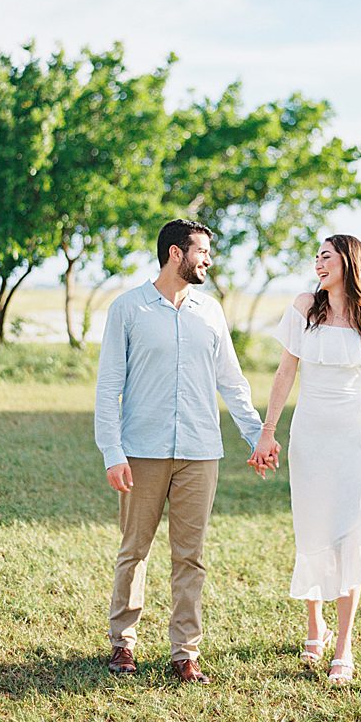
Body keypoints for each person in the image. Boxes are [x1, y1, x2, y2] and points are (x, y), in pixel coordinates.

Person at [94, 218, 274, 684]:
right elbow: (108, 385)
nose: (208, 260)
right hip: (141, 451)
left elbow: (232, 383)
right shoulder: (128, 309)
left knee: (190, 556)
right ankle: (123, 645)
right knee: (134, 550)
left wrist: (256, 437)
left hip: (200, 452)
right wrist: (112, 452)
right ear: (176, 253)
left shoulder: (210, 311)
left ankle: (184, 653)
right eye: (202, 252)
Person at [249, 234, 361, 686]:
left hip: (356, 439)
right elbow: (286, 371)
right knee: (315, 527)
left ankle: (344, 646)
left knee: (349, 536)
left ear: (349, 261)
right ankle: (313, 625)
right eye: (316, 256)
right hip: (311, 438)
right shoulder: (305, 306)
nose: (318, 263)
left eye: (326, 256)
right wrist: (268, 431)